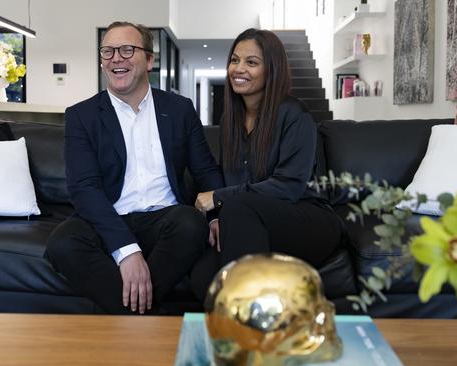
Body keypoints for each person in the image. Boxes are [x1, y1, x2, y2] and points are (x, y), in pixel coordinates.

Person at [45, 21, 223, 315]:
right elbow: (84, 189)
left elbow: (205, 170)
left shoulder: (179, 109)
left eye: (127, 50)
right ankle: (143, 318)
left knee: (192, 224)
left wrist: (217, 213)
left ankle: (126, 317)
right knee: (63, 243)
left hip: (165, 218)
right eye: (108, 51)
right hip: (108, 220)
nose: (116, 58)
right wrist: (127, 251)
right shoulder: (82, 116)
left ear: (150, 60)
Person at [191, 28, 344, 300]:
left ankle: (248, 325)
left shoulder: (295, 114)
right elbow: (232, 181)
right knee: (202, 280)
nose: (239, 69)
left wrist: (218, 198)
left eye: (251, 62)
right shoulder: (230, 119)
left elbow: (289, 187)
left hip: (307, 219)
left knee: (237, 209)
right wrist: (217, 214)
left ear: (271, 69)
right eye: (235, 60)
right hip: (249, 221)